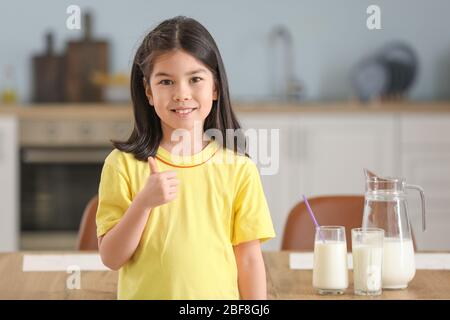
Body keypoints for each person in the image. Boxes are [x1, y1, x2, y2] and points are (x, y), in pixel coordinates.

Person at [96, 16, 276, 300]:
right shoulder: (122, 165)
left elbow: (249, 260)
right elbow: (111, 258)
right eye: (166, 81)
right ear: (148, 92)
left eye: (195, 79)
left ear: (214, 87)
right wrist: (143, 204)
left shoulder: (239, 169)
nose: (181, 94)